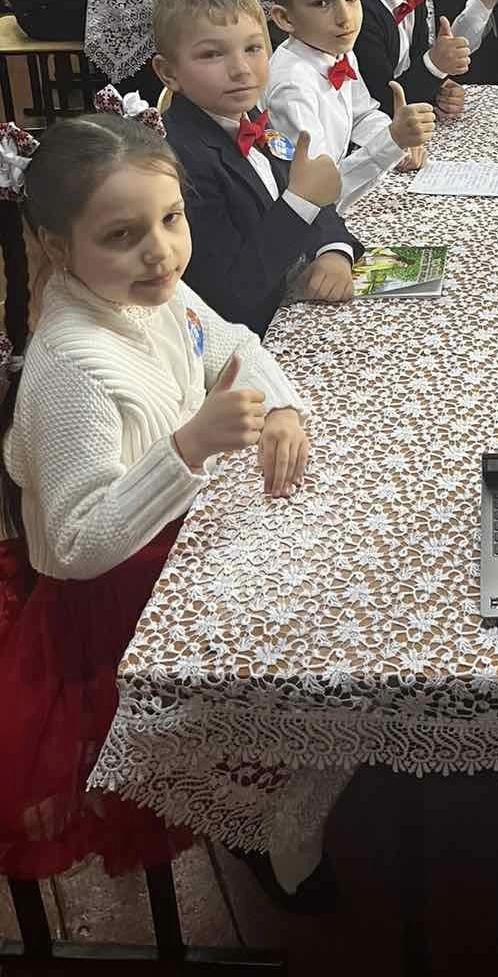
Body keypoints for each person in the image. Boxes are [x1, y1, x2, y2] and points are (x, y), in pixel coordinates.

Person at [0, 115, 307, 884]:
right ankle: (250, 821)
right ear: (57, 248)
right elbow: (77, 542)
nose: (161, 250)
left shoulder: (152, 293)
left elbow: (233, 342)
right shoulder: (72, 367)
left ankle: (280, 794)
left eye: (171, 219)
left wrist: (279, 406)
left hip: (179, 547)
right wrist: (187, 446)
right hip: (120, 605)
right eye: (122, 235)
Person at [153, 0, 361, 334]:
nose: (241, 69)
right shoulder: (177, 161)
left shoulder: (251, 117)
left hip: (293, 307)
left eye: (253, 48)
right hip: (246, 335)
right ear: (169, 73)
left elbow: (312, 193)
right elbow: (230, 292)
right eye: (212, 54)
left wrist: (334, 250)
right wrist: (301, 201)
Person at [263, 0, 435, 212]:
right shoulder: (292, 88)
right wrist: (391, 142)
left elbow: (362, 114)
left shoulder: (335, 49)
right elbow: (318, 194)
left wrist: (397, 144)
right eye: (322, 3)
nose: (345, 17)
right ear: (284, 18)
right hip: (310, 219)